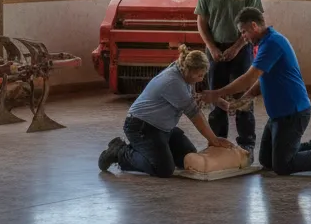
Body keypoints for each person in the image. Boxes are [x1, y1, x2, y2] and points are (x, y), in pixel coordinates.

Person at [202, 8, 311, 175]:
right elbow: (261, 80)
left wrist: (216, 93)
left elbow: (249, 78)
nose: (243, 37)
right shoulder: (263, 43)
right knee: (267, 160)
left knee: (283, 165)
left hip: (293, 113)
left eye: (244, 32)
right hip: (278, 115)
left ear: (254, 26)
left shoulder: (272, 43)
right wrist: (241, 101)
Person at [97, 46, 233, 177]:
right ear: (189, 71)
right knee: (164, 169)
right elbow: (195, 114)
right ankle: (120, 151)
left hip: (163, 128)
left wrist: (217, 99)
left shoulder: (182, 70)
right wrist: (214, 140)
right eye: (199, 75)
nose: (201, 79)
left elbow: (191, 97)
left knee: (188, 156)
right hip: (141, 127)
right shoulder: (173, 81)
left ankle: (153, 150)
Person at [195, 0, 263, 155]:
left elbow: (254, 24)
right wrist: (212, 47)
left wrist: (236, 47)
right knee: (216, 97)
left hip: (242, 48)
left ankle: (246, 144)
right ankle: (218, 142)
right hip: (215, 49)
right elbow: (201, 23)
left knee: (243, 96)